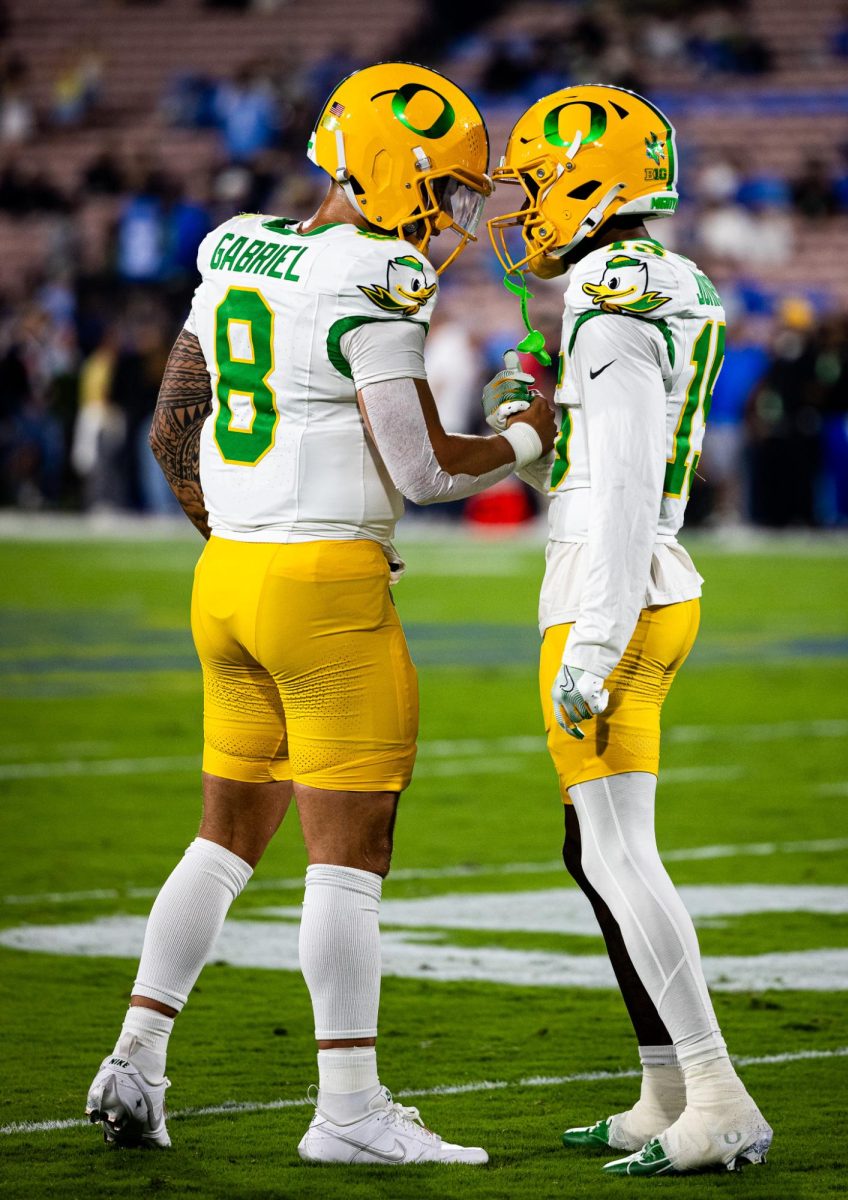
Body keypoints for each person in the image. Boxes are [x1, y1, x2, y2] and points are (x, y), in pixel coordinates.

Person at [84, 62, 554, 1166]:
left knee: (225, 837)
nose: (450, 213)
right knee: (349, 855)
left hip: (226, 582)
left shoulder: (237, 242)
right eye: (441, 187)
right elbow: (425, 468)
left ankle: (135, 1062)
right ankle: (348, 1109)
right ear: (391, 175)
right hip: (325, 595)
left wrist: (240, 538)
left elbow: (171, 429)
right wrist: (534, 443)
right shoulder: (380, 276)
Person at [485, 85, 773, 1177]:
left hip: (618, 592)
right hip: (645, 580)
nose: (531, 206)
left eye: (540, 181)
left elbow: (617, 491)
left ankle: (717, 1093)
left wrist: (596, 645)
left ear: (587, 178)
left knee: (616, 850)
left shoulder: (611, 300)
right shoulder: (658, 280)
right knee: (589, 848)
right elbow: (615, 451)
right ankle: (665, 1088)